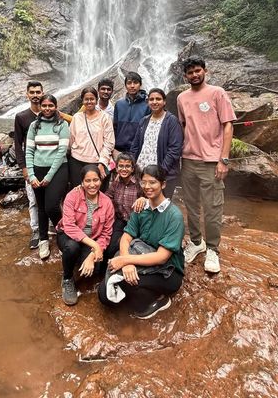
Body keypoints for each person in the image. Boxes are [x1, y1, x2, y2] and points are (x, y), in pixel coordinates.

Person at [98, 165, 184, 319]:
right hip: (140, 257)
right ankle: (141, 293)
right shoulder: (141, 207)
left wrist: (125, 260)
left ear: (163, 184)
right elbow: (126, 237)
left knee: (128, 288)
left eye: (153, 182)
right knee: (104, 296)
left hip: (168, 271)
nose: (147, 187)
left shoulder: (174, 215)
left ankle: (160, 301)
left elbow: (162, 257)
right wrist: (127, 263)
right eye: (144, 182)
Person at [177, 56, 236, 274]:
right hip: (189, 159)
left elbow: (228, 127)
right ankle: (196, 241)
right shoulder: (182, 98)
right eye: (190, 72)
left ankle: (213, 249)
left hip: (211, 161)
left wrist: (224, 159)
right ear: (185, 76)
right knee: (191, 205)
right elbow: (184, 126)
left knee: (212, 208)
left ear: (205, 71)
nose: (194, 75)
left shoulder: (217, 93)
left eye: (197, 71)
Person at [56, 165, 115, 306]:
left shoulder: (107, 203)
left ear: (101, 181)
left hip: (92, 239)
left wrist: (92, 255)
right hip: (68, 235)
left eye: (95, 180)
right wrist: (95, 246)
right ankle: (67, 278)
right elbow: (69, 226)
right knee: (71, 247)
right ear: (82, 182)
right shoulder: (72, 196)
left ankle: (77, 259)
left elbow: (106, 234)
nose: (92, 184)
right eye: (87, 181)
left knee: (93, 272)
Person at [25, 94, 70, 260]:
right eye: (44, 105)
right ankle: (43, 239)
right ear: (40, 107)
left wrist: (50, 175)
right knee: (41, 207)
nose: (47, 108)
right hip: (37, 169)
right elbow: (29, 151)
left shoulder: (62, 124)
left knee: (51, 206)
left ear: (56, 107)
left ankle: (64, 230)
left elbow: (61, 152)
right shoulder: (34, 126)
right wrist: (31, 174)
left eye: (51, 105)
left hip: (58, 170)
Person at [131, 88, 183, 199]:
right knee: (143, 206)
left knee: (161, 209)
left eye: (158, 99)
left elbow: (175, 149)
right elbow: (135, 147)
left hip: (164, 174)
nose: (154, 102)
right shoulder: (144, 120)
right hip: (142, 173)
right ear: (147, 102)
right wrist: (132, 167)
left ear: (164, 102)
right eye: (151, 99)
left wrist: (161, 172)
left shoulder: (172, 121)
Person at [14, 81, 44, 249]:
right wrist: (23, 167)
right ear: (27, 94)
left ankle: (50, 227)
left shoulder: (49, 112)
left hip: (48, 164)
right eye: (32, 92)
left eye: (38, 92)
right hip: (31, 165)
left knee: (50, 198)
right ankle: (35, 229)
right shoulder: (21, 117)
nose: (35, 95)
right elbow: (18, 144)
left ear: (42, 92)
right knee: (33, 199)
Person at [69, 87, 115, 188]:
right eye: (86, 99)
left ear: (96, 100)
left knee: (95, 192)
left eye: (92, 99)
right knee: (78, 191)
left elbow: (109, 142)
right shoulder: (77, 117)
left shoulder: (105, 117)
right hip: (76, 161)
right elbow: (71, 139)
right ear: (82, 100)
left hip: (97, 162)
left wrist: (102, 163)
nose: (89, 101)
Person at [104, 152, 145, 260]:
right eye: (121, 166)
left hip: (137, 222)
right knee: (110, 247)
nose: (124, 169)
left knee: (130, 247)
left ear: (132, 168)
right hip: (120, 220)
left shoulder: (140, 184)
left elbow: (153, 198)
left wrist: (144, 199)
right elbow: (106, 197)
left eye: (127, 166)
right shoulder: (116, 184)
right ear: (117, 168)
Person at [113, 71, 150, 153]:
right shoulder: (119, 104)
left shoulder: (147, 104)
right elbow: (115, 127)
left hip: (139, 149)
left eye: (135, 83)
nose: (132, 86)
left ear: (140, 85)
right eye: (129, 83)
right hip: (119, 149)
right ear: (125, 86)